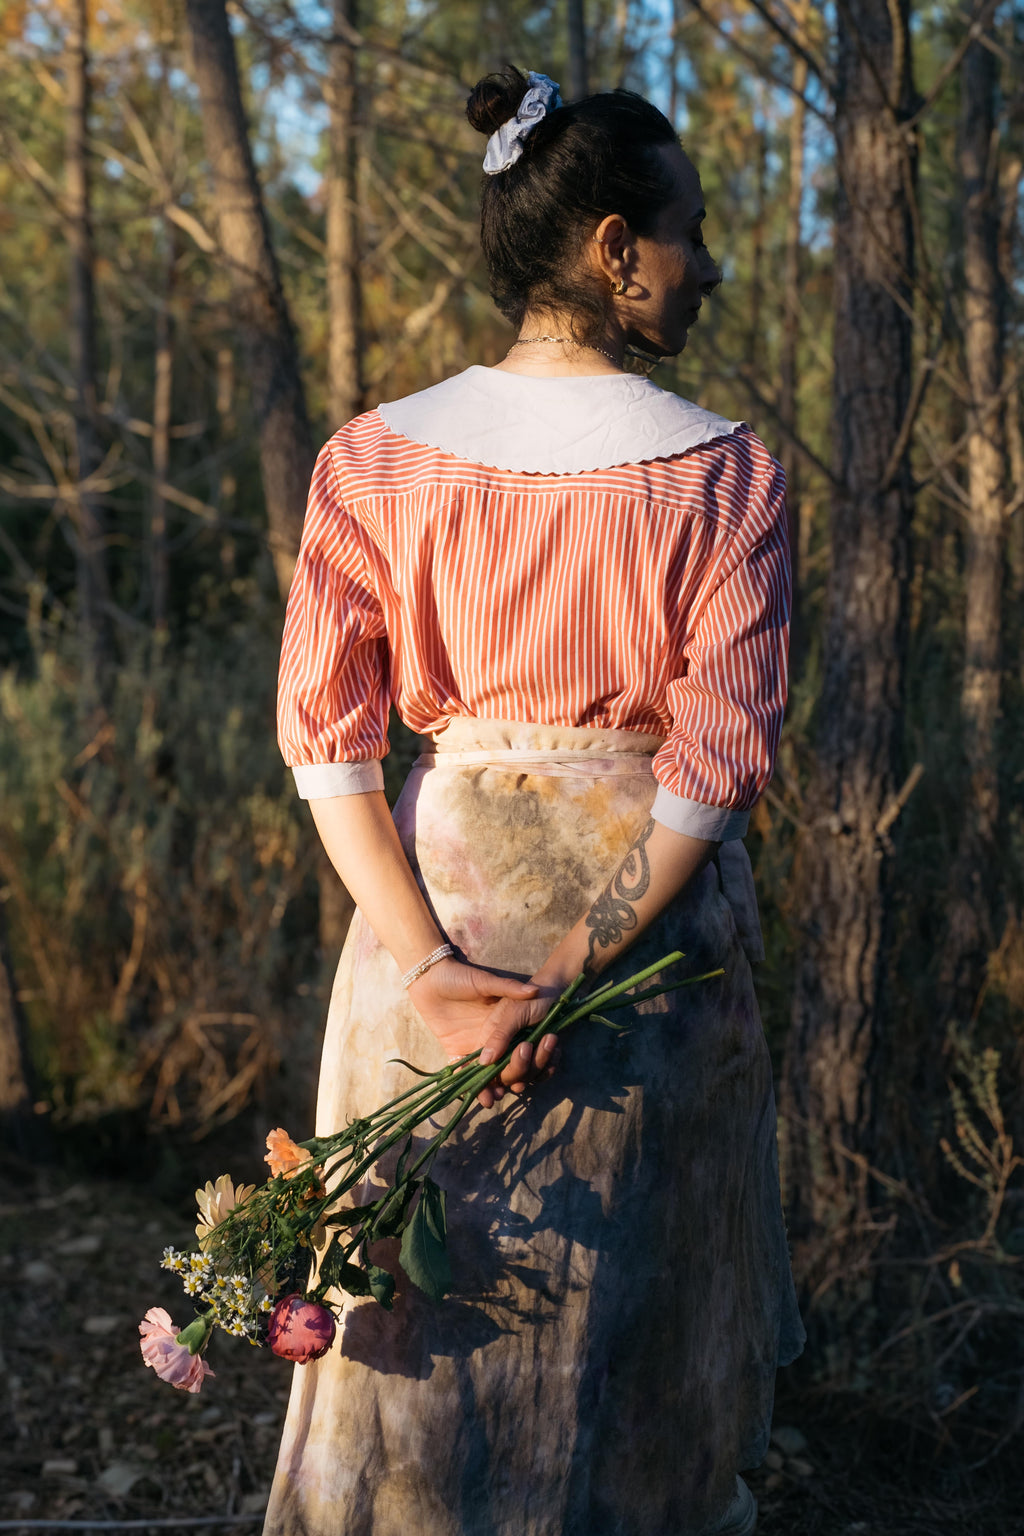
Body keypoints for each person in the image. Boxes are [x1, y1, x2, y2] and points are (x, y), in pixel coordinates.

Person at [266, 65, 804, 1536]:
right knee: (628, 1368)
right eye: (692, 230)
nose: (715, 264)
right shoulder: (728, 476)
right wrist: (580, 962)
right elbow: (715, 760)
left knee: (420, 1361)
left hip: (428, 922)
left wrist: (434, 967)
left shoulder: (369, 463)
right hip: (651, 955)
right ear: (614, 249)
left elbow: (328, 740)